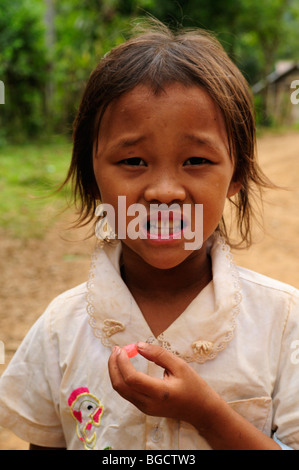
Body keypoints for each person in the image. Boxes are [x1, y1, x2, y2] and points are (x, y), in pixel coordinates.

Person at [0, 19, 298, 451]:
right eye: (134, 161)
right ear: (92, 176)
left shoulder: (283, 322)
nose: (163, 193)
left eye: (196, 160)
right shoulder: (59, 329)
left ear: (237, 176)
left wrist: (206, 414)